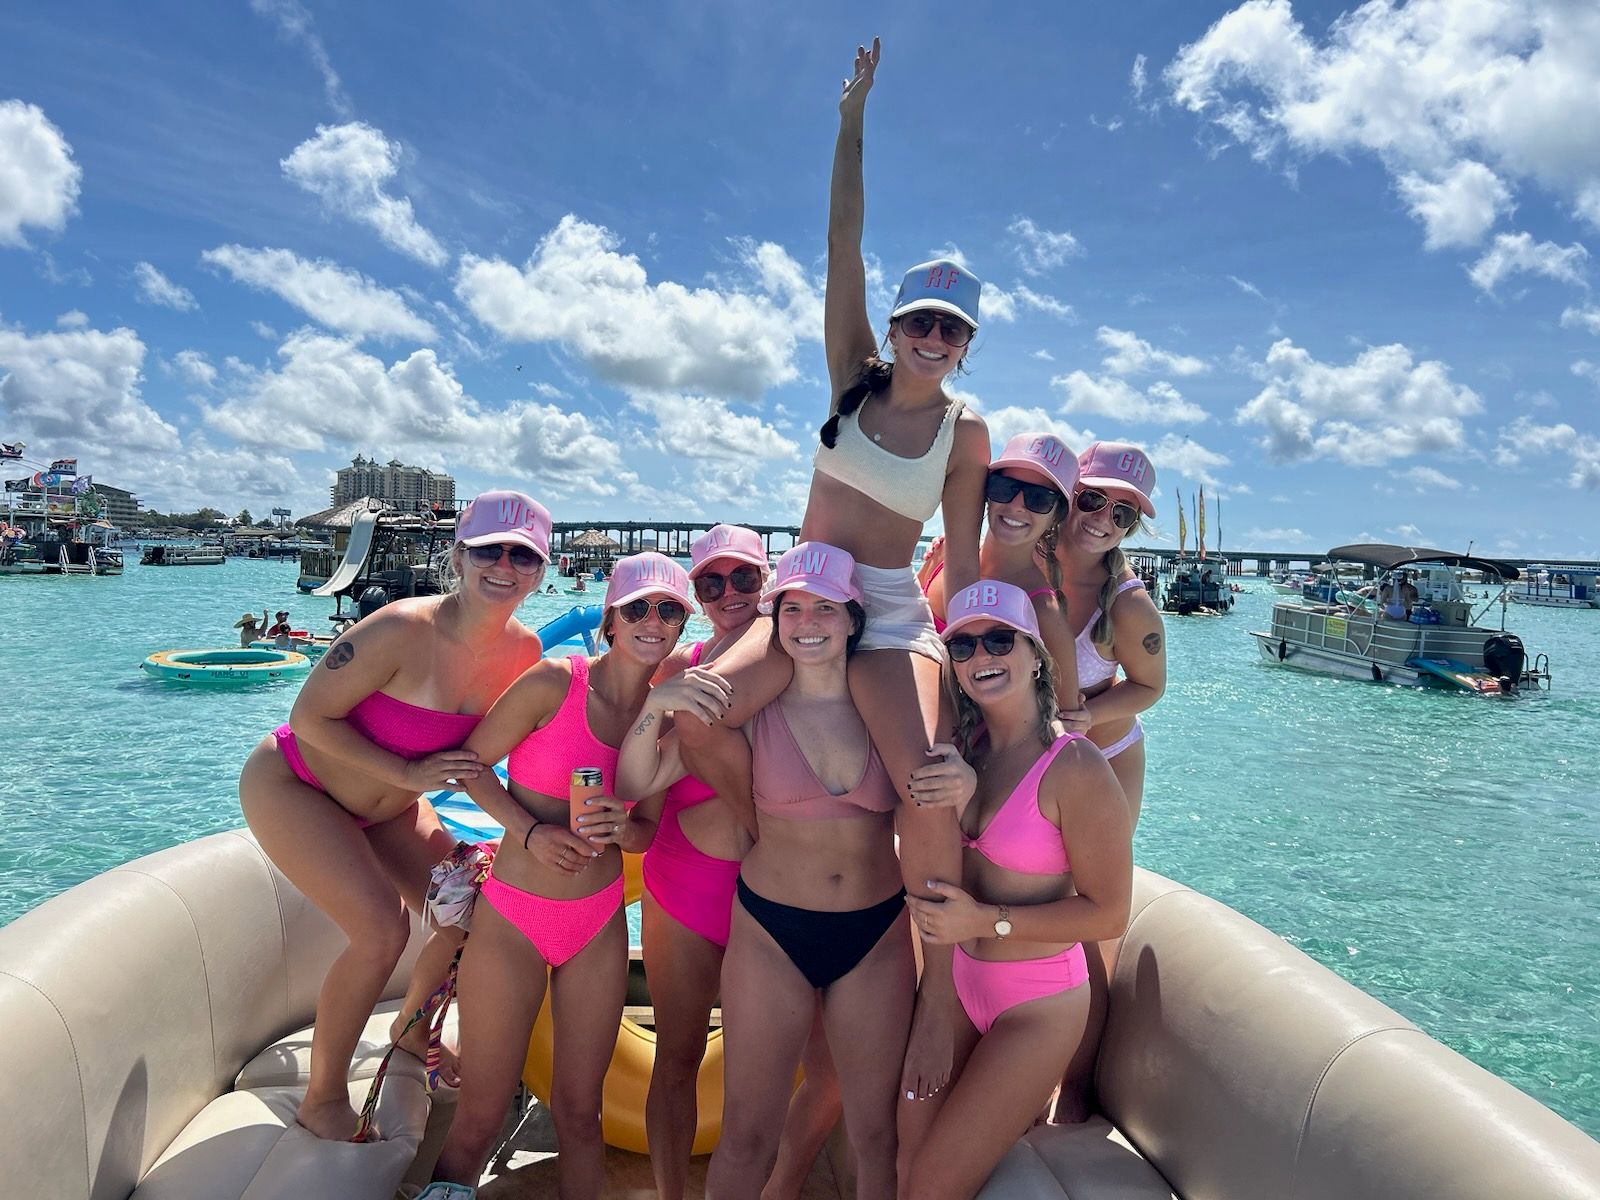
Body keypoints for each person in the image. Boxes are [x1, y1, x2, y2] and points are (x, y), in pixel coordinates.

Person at [672, 41, 990, 1154]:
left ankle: (941, 993)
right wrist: (851, 119)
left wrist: (962, 670)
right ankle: (741, 835)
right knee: (699, 702)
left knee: (929, 785)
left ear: (963, 348)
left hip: (890, 609)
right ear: (896, 328)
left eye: (952, 331)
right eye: (922, 323)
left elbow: (959, 553)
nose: (932, 342)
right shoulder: (850, 372)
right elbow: (840, 245)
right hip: (806, 594)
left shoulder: (965, 432)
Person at [628, 545, 968, 1200]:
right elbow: (658, 765)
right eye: (793, 608)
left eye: (825, 607)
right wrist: (659, 701)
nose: (808, 621)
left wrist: (968, 775)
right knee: (745, 1138)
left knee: (875, 1135)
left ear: (853, 617)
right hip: (769, 932)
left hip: (873, 937)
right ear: (774, 619)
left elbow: (951, 817)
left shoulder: (893, 714)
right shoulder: (757, 711)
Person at [237, 490, 551, 1141]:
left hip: (391, 809)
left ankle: (409, 1040)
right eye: (489, 550)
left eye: (523, 555)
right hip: (298, 786)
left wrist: (536, 826)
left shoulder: (523, 657)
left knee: (474, 910)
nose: (505, 566)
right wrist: (409, 775)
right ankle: (322, 1099)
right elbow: (308, 718)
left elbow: (491, 759)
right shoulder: (401, 629)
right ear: (460, 555)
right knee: (381, 930)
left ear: (541, 570)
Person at [428, 553, 692, 1199]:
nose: (652, 621)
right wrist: (529, 831)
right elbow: (465, 766)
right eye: (638, 607)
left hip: (596, 924)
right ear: (610, 618)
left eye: (670, 609)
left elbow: (647, 830)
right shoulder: (554, 683)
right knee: (480, 1118)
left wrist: (620, 831)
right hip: (514, 919)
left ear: (683, 623)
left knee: (581, 1115)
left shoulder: (666, 720)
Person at [617, 526, 843, 1200]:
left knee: (812, 1068)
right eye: (711, 584)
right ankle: (669, 1194)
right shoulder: (680, 673)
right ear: (699, 594)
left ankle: (782, 1182)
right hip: (686, 890)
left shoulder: (804, 656)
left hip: (780, 897)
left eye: (744, 579)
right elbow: (641, 790)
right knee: (678, 1059)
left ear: (768, 582)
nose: (730, 595)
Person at [902, 581, 1131, 1200]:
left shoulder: (1076, 766)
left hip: (1037, 1007)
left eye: (999, 639)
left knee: (929, 1186)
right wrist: (931, 1007)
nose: (982, 656)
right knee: (904, 1165)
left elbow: (1109, 913)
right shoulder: (964, 752)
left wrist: (985, 920)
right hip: (955, 988)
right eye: (966, 647)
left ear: (1036, 655)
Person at [1046, 441, 1166, 1122]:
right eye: (1091, 499)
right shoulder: (1021, 560)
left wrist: (1081, 719)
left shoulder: (1128, 606)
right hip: (1030, 749)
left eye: (1122, 513)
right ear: (1067, 497)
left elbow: (1149, 686)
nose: (1102, 519)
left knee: (1081, 918)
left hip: (1105, 755)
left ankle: (1079, 1088)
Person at [921, 432, 1085, 719]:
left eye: (1039, 498)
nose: (1017, 504)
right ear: (987, 492)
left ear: (1056, 515)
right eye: (1004, 487)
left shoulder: (1043, 613)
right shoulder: (945, 555)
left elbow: (1064, 724)